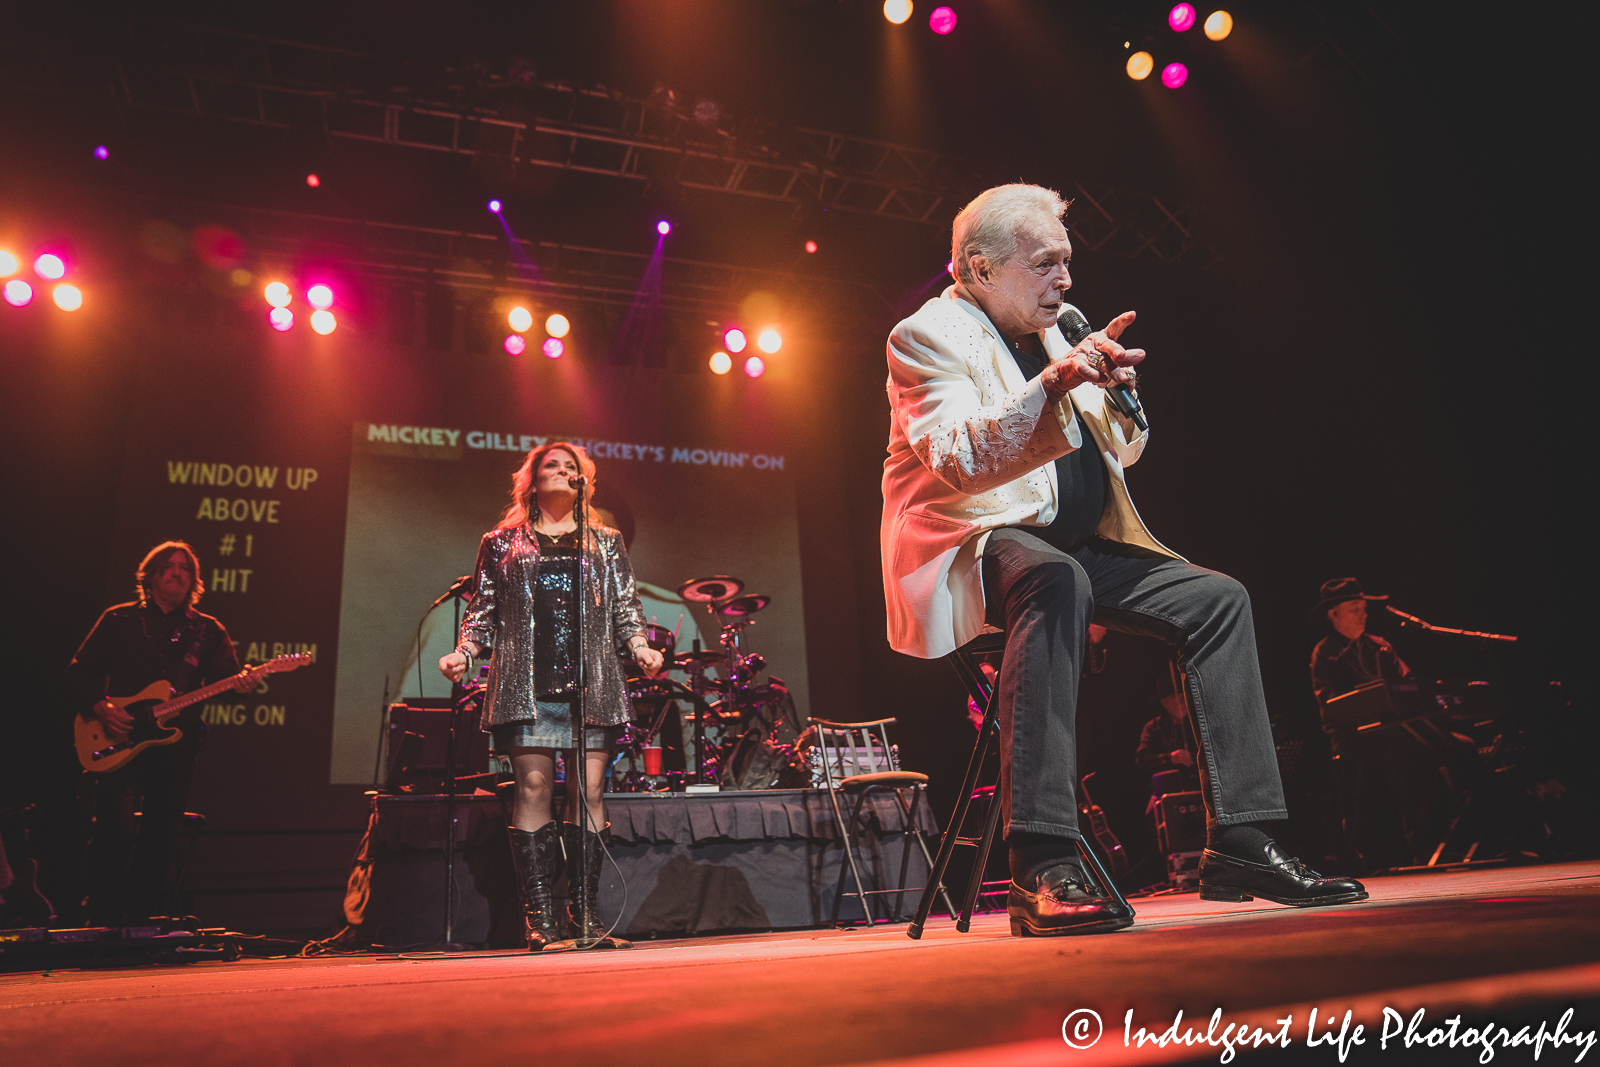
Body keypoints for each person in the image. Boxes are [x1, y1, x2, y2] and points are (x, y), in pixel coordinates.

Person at [880, 183, 1365, 936]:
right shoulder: (925, 336)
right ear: (979, 267)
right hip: (975, 540)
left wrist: (1117, 394)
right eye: (1046, 264)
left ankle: (1240, 837)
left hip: (1072, 542)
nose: (1066, 281)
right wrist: (1059, 380)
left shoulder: (1059, 326)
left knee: (1218, 597)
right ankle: (1041, 859)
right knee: (1052, 576)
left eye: (1067, 262)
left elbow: (1124, 449)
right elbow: (958, 457)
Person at [439, 442, 663, 951]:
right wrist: (466, 652)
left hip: (592, 681)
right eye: (551, 466)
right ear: (531, 480)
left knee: (589, 793)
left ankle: (584, 918)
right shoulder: (501, 542)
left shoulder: (604, 541)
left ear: (584, 481)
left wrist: (639, 645)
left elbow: (625, 602)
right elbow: (483, 608)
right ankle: (541, 922)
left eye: (572, 467)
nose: (563, 473)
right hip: (527, 682)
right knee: (535, 789)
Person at [65, 542, 254, 925]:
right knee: (113, 829)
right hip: (118, 736)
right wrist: (101, 707)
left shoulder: (207, 630)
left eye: (186, 568)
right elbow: (79, 672)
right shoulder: (118, 619)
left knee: (160, 833)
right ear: (151, 576)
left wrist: (244, 682)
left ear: (194, 580)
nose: (178, 572)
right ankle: (102, 918)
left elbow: (223, 679)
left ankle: (139, 920)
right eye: (169, 566)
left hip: (176, 742)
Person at [1309, 577, 1411, 705]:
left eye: (1364, 608)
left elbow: (1409, 683)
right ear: (1333, 614)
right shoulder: (1325, 651)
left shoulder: (1379, 645)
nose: (1364, 615)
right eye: (1354, 609)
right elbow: (1331, 702)